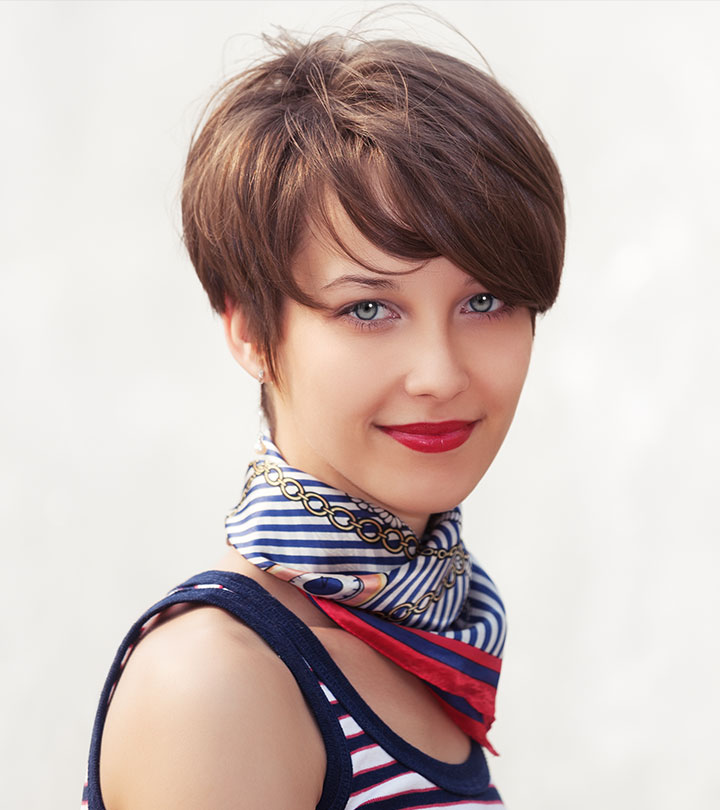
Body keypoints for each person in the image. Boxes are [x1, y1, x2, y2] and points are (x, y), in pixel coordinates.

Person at [82, 22, 564, 810]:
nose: (440, 374)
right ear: (249, 331)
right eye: (368, 308)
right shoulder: (222, 678)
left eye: (486, 300)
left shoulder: (413, 636)